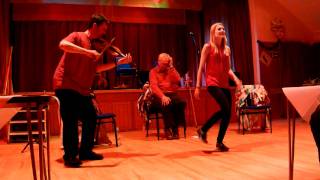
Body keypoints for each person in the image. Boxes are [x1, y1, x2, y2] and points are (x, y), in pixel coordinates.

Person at [53, 14, 131, 167]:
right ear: (94, 25)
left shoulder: (93, 45)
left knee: (90, 117)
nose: (104, 33)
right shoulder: (77, 36)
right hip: (65, 84)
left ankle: (85, 151)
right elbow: (62, 44)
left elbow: (96, 68)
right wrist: (87, 52)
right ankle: (70, 156)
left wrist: (118, 63)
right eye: (102, 29)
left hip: (81, 88)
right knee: (71, 120)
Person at [194, 23, 241, 151]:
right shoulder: (208, 47)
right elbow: (200, 68)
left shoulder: (227, 49)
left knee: (227, 113)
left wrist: (236, 80)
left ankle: (218, 142)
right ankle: (204, 129)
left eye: (223, 28)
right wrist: (198, 86)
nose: (222, 30)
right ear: (213, 33)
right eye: (219, 29)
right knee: (225, 108)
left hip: (224, 84)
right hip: (212, 83)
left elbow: (228, 69)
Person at [149, 53, 186, 140]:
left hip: (172, 94)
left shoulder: (170, 69)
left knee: (180, 103)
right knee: (166, 103)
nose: (166, 65)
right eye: (164, 64)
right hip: (158, 96)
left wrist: (171, 66)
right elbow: (154, 87)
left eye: (167, 63)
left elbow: (177, 79)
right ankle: (168, 128)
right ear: (159, 62)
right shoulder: (153, 72)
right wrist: (162, 96)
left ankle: (175, 128)